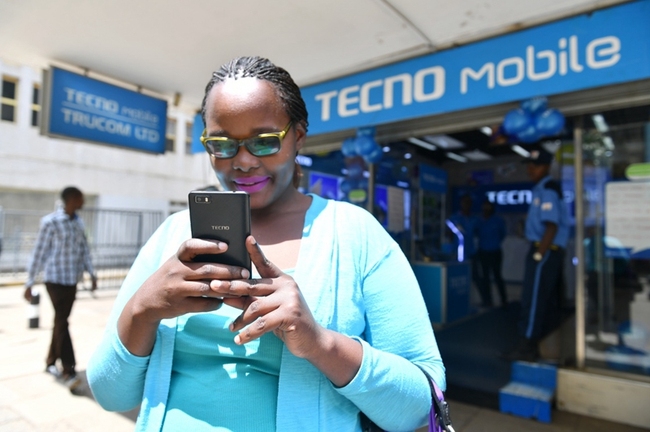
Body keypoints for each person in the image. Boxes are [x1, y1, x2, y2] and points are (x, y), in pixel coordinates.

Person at [87, 56, 445, 431]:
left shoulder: (355, 233)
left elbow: (422, 406)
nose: (242, 162)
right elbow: (112, 396)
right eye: (222, 145)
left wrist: (319, 343)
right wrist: (142, 311)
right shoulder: (172, 235)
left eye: (264, 142)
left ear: (298, 138)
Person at [24, 186, 97, 390]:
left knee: (60, 321)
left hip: (71, 280)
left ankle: (49, 361)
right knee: (63, 321)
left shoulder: (78, 223)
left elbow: (84, 250)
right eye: (81, 198)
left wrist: (91, 273)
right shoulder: (51, 222)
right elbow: (39, 251)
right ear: (72, 199)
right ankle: (69, 370)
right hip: (55, 280)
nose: (83, 201)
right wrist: (29, 281)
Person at [505, 147, 569, 362]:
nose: (531, 169)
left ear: (547, 167)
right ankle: (540, 343)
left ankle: (527, 347)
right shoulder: (541, 188)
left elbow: (551, 226)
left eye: (536, 165)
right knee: (544, 300)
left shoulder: (548, 189)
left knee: (532, 299)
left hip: (545, 250)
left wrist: (539, 255)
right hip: (544, 249)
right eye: (529, 166)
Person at [449, 194, 483, 306]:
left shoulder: (475, 219)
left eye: (468, 202)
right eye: (464, 202)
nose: (466, 205)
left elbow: (478, 233)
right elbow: (449, 233)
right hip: (458, 253)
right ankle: (457, 301)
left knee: (475, 277)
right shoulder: (454, 218)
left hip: (471, 252)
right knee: (457, 278)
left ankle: (483, 300)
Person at [476, 200, 508, 307]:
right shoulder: (479, 221)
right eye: (485, 207)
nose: (486, 209)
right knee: (485, 277)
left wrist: (495, 242)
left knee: (497, 276)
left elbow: (503, 234)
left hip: (495, 252)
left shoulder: (497, 220)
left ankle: (504, 301)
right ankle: (488, 301)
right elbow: (476, 233)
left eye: (488, 207)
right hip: (483, 252)